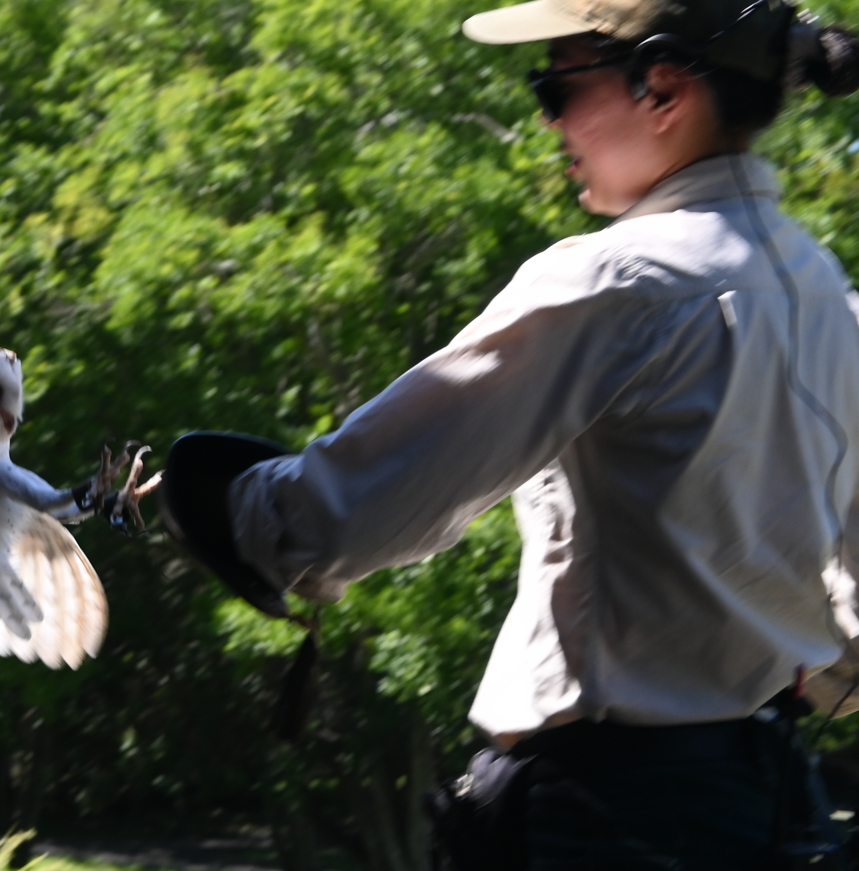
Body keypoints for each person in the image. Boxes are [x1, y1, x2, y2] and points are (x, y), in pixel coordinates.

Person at [159, 0, 859, 866]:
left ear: (664, 91)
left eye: (556, 83)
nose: (546, 116)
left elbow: (344, 519)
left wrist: (222, 502)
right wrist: (764, 692)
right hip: (767, 806)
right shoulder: (826, 290)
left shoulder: (613, 282)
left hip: (601, 821)